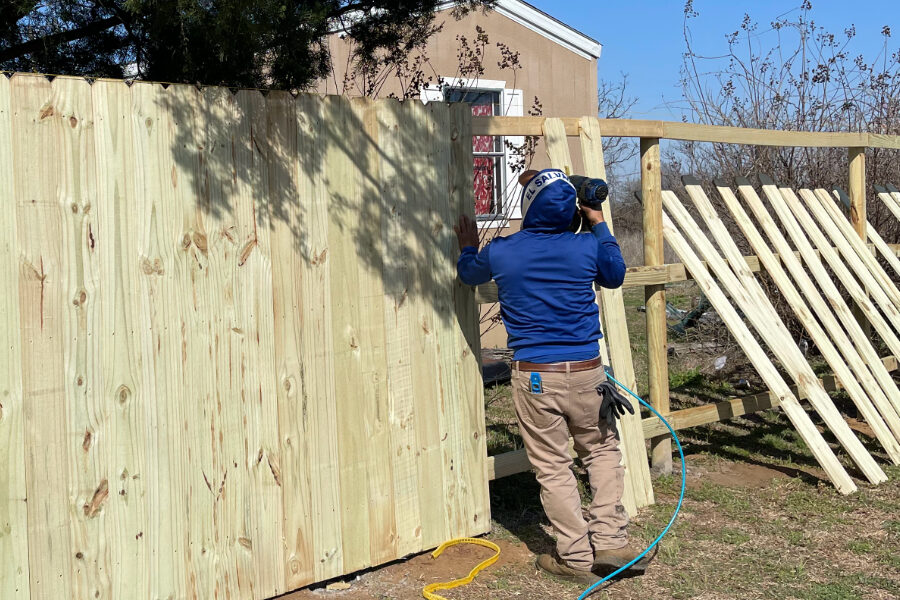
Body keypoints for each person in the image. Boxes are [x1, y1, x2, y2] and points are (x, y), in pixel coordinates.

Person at [453, 168, 647, 585]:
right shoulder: (586, 247)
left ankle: (575, 557)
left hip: (536, 376)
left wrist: (468, 247)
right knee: (601, 452)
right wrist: (597, 222)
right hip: (587, 373)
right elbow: (614, 275)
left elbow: (469, 275)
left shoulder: (505, 251)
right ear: (573, 212)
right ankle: (611, 543)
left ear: (529, 209)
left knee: (554, 466)